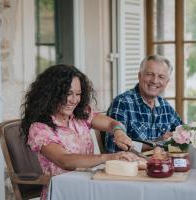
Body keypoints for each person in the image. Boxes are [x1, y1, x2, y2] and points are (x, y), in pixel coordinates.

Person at [21, 64, 139, 199]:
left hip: (88, 187)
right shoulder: (39, 128)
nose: (74, 100)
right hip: (63, 192)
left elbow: (113, 123)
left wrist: (119, 132)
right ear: (51, 94)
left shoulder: (81, 115)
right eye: (67, 94)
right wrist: (106, 158)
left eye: (78, 94)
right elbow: (65, 160)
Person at [105, 55, 183, 152]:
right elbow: (113, 146)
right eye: (150, 74)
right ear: (139, 76)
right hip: (132, 165)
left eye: (161, 77)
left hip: (162, 165)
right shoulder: (122, 103)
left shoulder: (166, 107)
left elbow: (184, 135)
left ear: (166, 82)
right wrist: (157, 144)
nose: (155, 80)